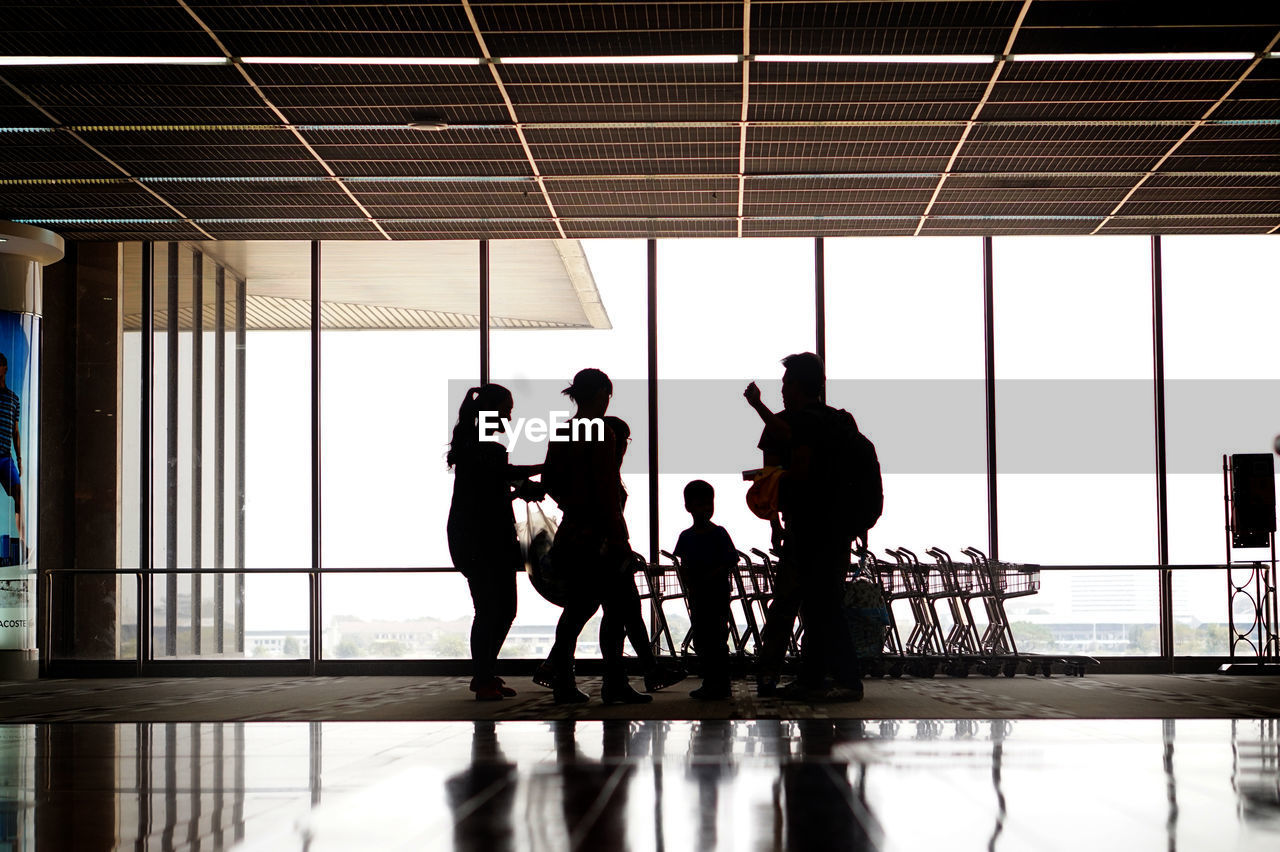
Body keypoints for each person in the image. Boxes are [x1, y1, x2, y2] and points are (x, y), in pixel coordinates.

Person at [746, 353, 864, 701]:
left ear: (797, 386)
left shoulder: (796, 425)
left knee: (799, 605)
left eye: (786, 384)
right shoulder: (840, 423)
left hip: (808, 527)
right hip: (837, 528)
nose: (782, 390)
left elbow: (774, 471)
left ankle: (838, 679)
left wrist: (758, 407)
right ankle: (814, 677)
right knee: (822, 604)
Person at [539, 368, 644, 704]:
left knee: (577, 608)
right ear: (601, 393)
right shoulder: (602, 433)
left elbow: (551, 482)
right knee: (617, 610)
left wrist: (572, 505)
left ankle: (562, 680)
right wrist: (618, 539)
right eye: (606, 395)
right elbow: (606, 491)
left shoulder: (562, 433)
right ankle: (615, 681)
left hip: (573, 533)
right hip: (601, 534)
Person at [446, 384, 544, 701]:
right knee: (495, 610)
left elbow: (498, 485)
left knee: (495, 610)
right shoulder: (484, 449)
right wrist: (548, 468)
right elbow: (503, 478)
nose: (510, 415)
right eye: (507, 408)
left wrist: (522, 488)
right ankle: (483, 676)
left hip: (478, 537)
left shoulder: (476, 447)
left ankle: (485, 674)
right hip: (485, 539)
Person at [598, 416, 686, 693]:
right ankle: (630, 675)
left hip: (611, 550)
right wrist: (622, 547)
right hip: (609, 553)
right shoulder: (603, 472)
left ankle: (640, 671)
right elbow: (607, 517)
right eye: (622, 440)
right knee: (619, 615)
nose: (624, 446)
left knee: (623, 614)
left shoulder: (606, 471)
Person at [672, 480, 737, 699]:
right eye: (701, 503)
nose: (705, 508)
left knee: (716, 639)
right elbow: (729, 560)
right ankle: (713, 682)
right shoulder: (700, 535)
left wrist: (699, 581)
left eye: (708, 503)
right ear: (689, 506)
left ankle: (719, 683)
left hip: (714, 594)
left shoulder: (707, 535)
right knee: (705, 640)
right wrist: (693, 584)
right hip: (703, 594)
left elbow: (729, 561)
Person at [0, 352, 23, 549]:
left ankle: (23, 540)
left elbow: (15, 432)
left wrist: (20, 459)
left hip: (5, 457)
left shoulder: (14, 399)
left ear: (5, 368)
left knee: (18, 493)